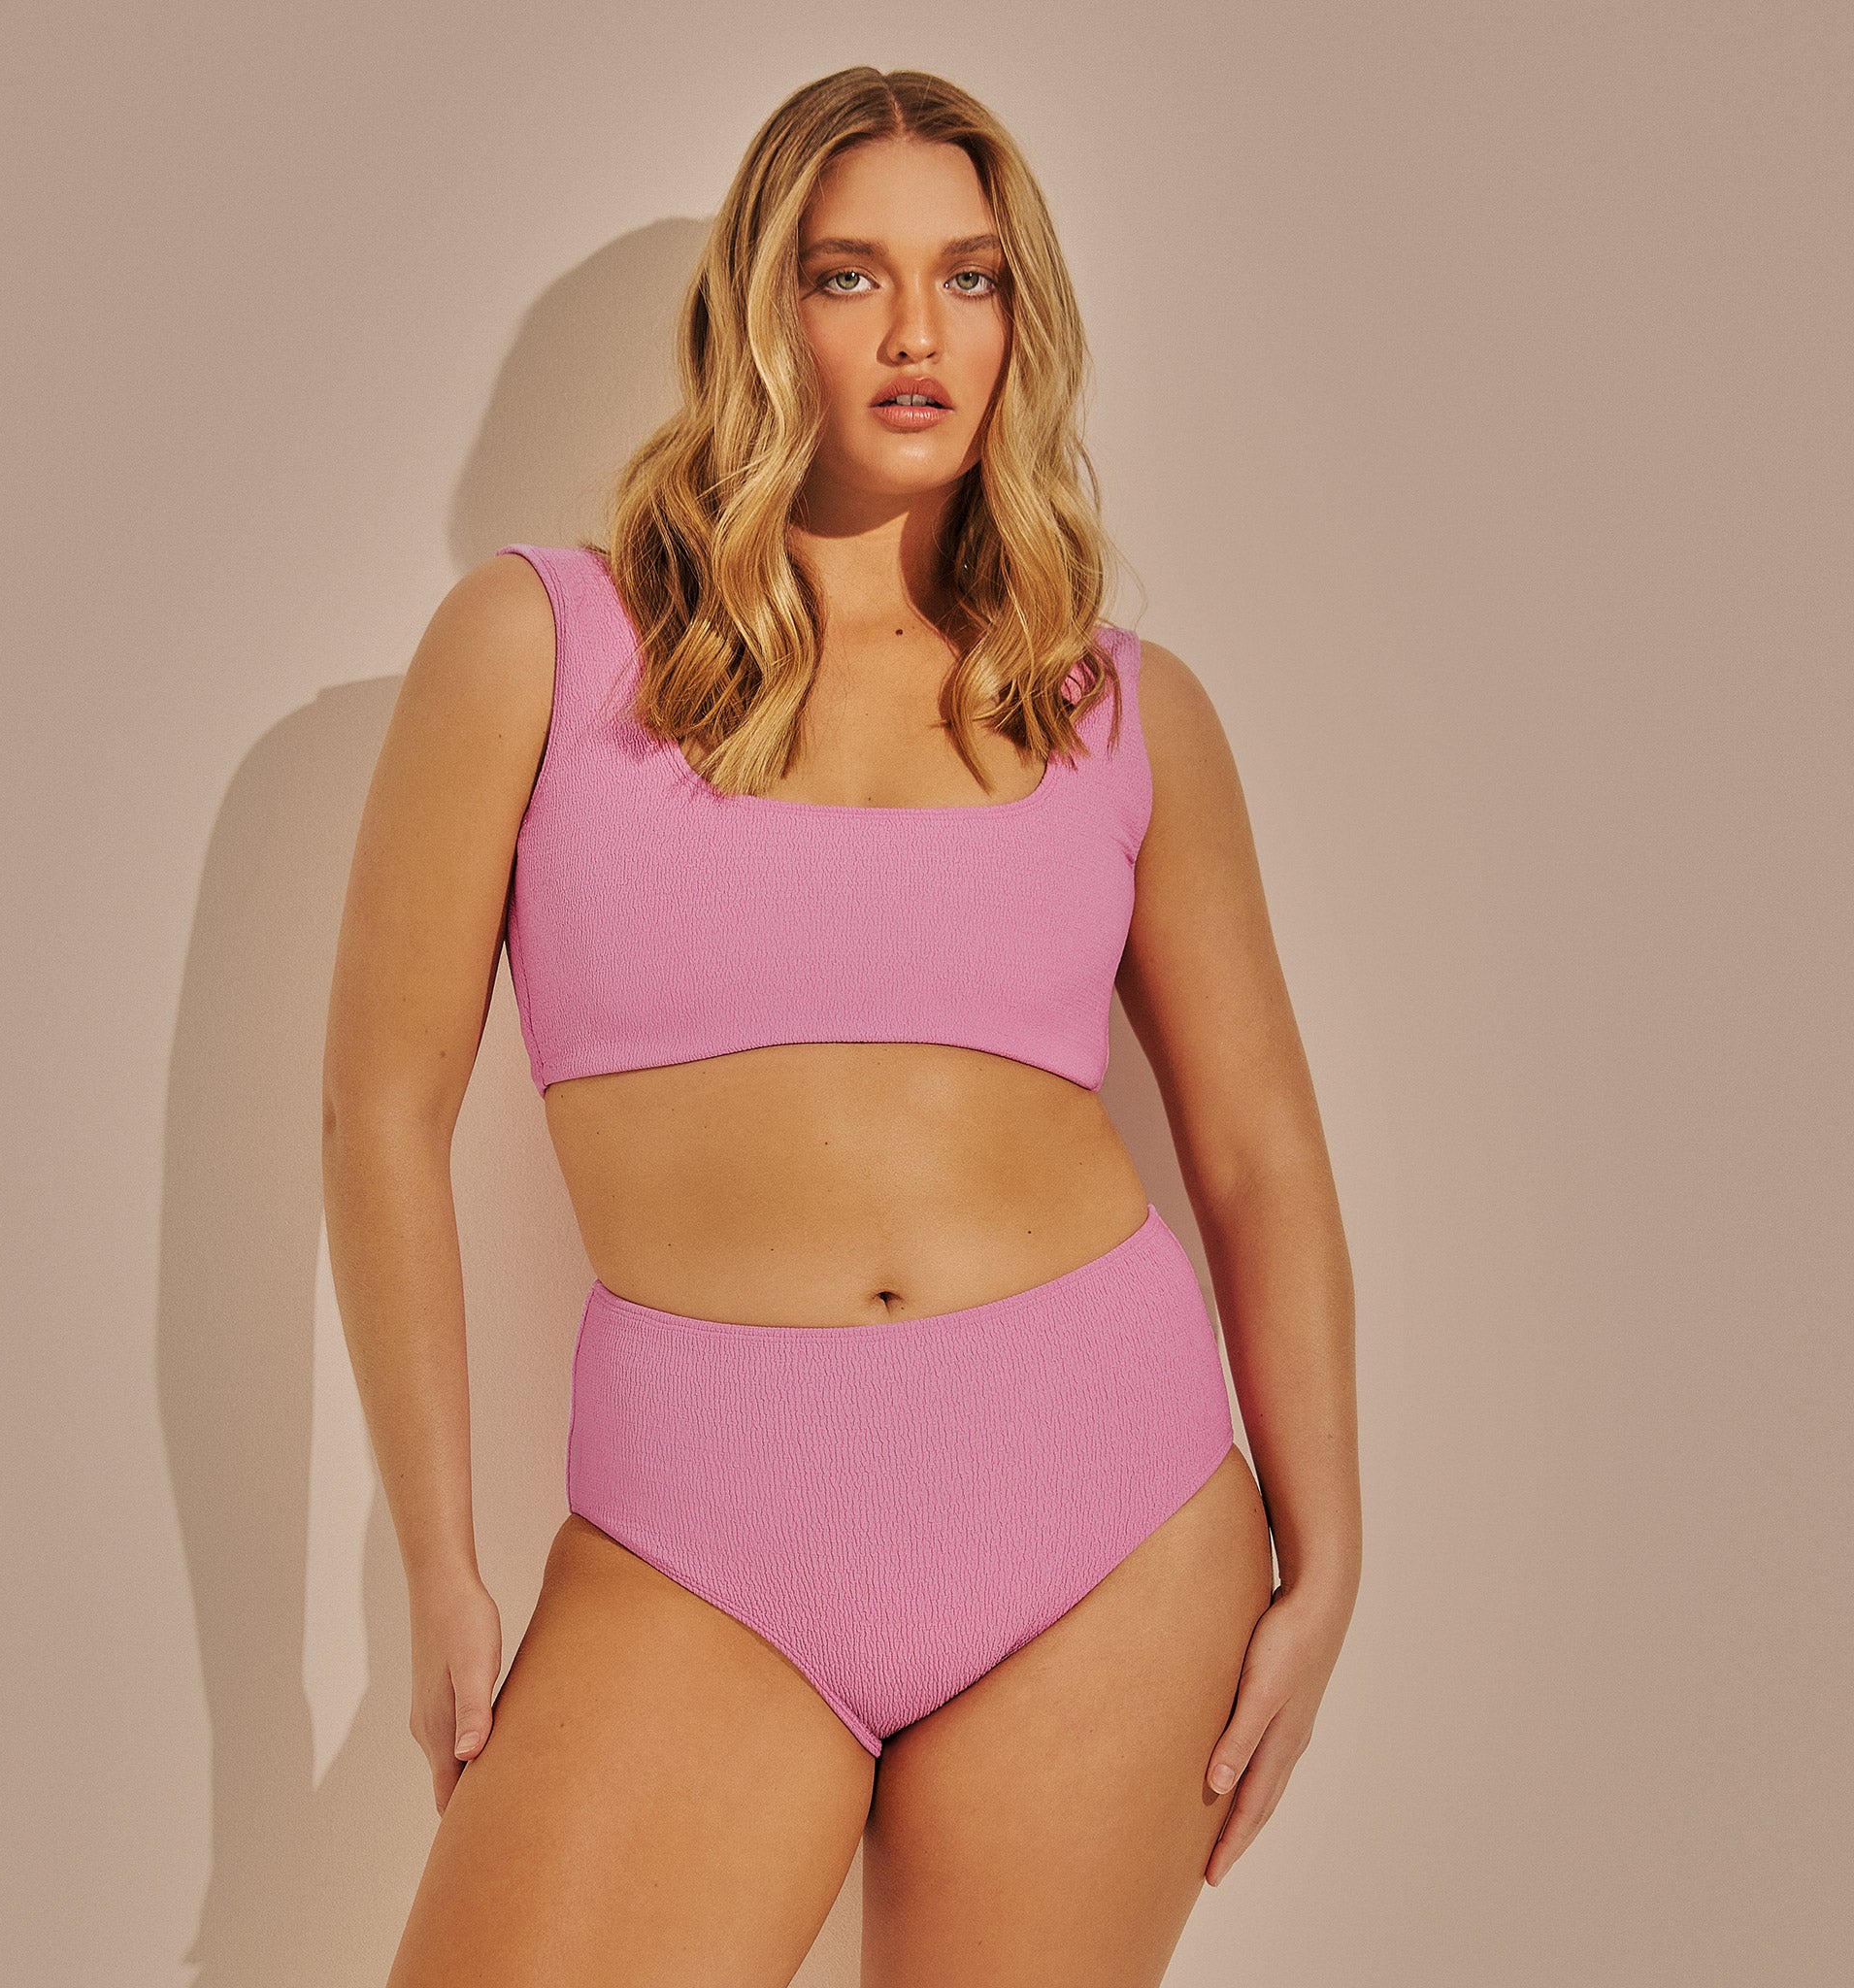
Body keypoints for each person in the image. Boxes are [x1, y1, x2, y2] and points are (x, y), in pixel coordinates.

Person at [321, 63, 1360, 1988]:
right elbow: (380, 1106)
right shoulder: (544, 645)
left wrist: (1331, 1553)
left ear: (1021, 319)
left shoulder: (1116, 708)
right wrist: (436, 1563)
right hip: (699, 1534)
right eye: (847, 274)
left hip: (1112, 1522)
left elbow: (1257, 1151)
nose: (914, 334)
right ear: (760, 306)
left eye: (969, 277)